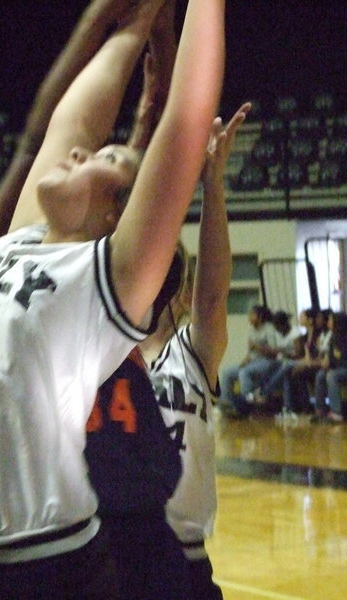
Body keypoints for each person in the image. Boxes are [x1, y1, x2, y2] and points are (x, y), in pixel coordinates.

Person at [0, 0, 227, 596]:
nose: (81, 153)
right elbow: (69, 125)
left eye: (108, 160)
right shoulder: (15, 244)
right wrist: (138, 21)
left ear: (113, 214)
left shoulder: (99, 283)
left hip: (32, 565)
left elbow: (186, 117)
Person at [133, 101, 249, 600]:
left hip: (185, 556)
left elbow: (213, 295)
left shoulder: (192, 352)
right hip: (119, 552)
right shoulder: (101, 352)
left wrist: (212, 185)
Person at [218, 304, 277, 417]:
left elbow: (274, 353)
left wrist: (257, 347)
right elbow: (251, 351)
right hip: (253, 362)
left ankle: (249, 405)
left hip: (267, 362)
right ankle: (228, 406)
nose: (249, 317)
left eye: (252, 314)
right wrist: (245, 360)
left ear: (260, 316)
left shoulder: (269, 328)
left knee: (244, 372)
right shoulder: (251, 330)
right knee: (228, 372)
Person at [254, 309, 305, 417]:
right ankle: (287, 408)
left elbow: (300, 354)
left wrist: (285, 353)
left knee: (286, 366)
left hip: (296, 362)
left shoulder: (295, 333)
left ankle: (264, 392)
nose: (276, 329)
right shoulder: (278, 334)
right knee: (273, 367)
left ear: (283, 325)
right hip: (283, 362)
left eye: (277, 326)